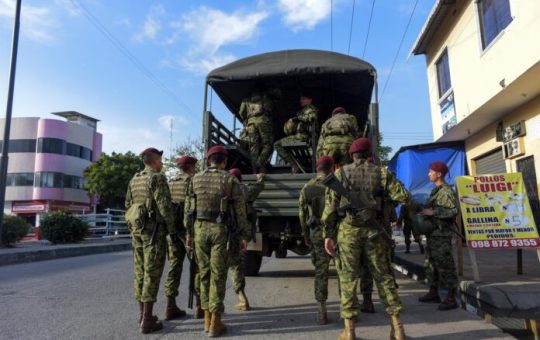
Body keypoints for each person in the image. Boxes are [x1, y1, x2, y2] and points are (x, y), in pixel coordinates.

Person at [322, 138, 410, 340]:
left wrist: (328, 235)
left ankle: (350, 332)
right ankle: (398, 331)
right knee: (385, 278)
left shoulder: (340, 173)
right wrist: (383, 203)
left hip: (348, 233)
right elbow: (404, 196)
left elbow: (329, 210)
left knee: (348, 280)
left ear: (352, 155)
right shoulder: (382, 173)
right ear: (370, 154)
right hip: (374, 232)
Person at [184, 146, 249, 337]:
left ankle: (206, 319)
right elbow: (240, 211)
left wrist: (189, 235)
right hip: (221, 231)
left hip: (199, 230)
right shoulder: (230, 179)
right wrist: (244, 235)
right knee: (218, 275)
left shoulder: (194, 179)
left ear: (208, 160)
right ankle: (215, 321)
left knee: (204, 274)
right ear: (225, 161)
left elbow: (188, 211)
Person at [125, 148, 176, 334]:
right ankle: (147, 319)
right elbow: (164, 207)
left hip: (137, 231)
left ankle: (142, 315)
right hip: (153, 233)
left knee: (140, 272)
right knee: (152, 274)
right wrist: (172, 230)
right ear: (154, 161)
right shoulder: (157, 177)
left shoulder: (134, 179)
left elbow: (127, 205)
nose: (162, 164)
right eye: (160, 161)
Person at [418, 161, 459, 311]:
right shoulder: (436, 191)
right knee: (431, 265)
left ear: (439, 174)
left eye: (431, 171)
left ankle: (451, 298)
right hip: (433, 235)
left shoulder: (446, 191)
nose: (428, 174)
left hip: (441, 236)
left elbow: (453, 211)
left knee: (445, 266)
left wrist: (433, 212)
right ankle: (434, 292)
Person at [299, 156, 334, 325]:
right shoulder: (338, 184)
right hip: (336, 233)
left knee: (321, 270)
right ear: (331, 167)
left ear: (317, 167)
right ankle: (351, 309)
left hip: (317, 232)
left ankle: (322, 311)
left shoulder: (308, 187)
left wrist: (306, 235)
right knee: (344, 270)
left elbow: (302, 214)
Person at [164, 156, 198, 320]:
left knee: (174, 267)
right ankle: (200, 306)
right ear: (191, 167)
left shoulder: (170, 183)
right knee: (198, 267)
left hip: (172, 231)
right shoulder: (193, 181)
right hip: (189, 232)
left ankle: (170, 305)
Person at [228, 168, 265, 311]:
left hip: (225, 231)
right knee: (236, 265)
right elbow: (259, 186)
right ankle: (242, 298)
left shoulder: (224, 189)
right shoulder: (245, 190)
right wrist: (260, 177)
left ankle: (208, 309)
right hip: (241, 232)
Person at [274, 93, 318, 173]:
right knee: (278, 144)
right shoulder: (302, 111)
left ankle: (294, 165)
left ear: (310, 100)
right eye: (301, 99)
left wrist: (296, 119)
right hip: (299, 136)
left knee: (277, 144)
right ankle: (294, 164)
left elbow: (312, 118)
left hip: (303, 137)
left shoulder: (311, 109)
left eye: (304, 98)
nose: (301, 100)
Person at [238, 90, 274, 172]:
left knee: (254, 147)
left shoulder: (246, 99)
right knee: (267, 144)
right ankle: (261, 163)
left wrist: (246, 119)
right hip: (264, 121)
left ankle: (254, 170)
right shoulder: (266, 96)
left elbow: (241, 113)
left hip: (251, 124)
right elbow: (270, 110)